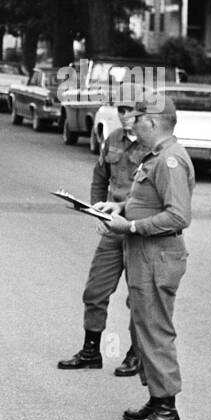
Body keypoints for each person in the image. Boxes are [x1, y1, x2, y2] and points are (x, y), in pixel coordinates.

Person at [91, 97, 194, 420]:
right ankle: (156, 397)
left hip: (157, 256)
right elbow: (148, 202)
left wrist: (131, 227)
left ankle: (167, 410)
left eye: (138, 118)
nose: (131, 123)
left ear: (153, 123)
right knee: (144, 326)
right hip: (145, 255)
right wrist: (120, 207)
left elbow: (178, 215)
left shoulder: (171, 160)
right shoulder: (155, 158)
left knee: (156, 331)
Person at [57, 103, 147, 376]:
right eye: (121, 108)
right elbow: (100, 176)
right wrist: (98, 210)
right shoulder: (113, 139)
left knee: (139, 297)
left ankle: (137, 353)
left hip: (139, 230)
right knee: (95, 290)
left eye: (132, 110)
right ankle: (90, 351)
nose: (125, 115)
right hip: (112, 228)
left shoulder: (156, 146)